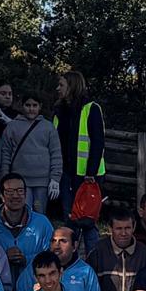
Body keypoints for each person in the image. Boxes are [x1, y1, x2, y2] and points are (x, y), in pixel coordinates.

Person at [0, 91, 61, 216]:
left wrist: (55, 178)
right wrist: (5, 178)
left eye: (34, 105)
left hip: (42, 180)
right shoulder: (12, 127)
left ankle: (40, 236)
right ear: (22, 106)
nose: (31, 109)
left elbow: (56, 153)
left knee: (40, 214)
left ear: (40, 106)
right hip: (20, 180)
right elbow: (6, 154)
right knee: (23, 213)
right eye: (28, 105)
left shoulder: (48, 127)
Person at [51, 70, 105, 224]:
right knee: (68, 216)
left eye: (61, 85)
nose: (58, 88)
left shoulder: (91, 108)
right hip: (65, 172)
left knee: (87, 219)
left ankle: (92, 248)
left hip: (86, 175)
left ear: (72, 86)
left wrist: (91, 172)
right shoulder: (58, 111)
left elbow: (97, 142)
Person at [0, 173, 53, 286]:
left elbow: (52, 257)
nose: (15, 195)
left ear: (26, 194)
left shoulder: (42, 223)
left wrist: (27, 259)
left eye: (20, 190)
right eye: (10, 191)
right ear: (1, 195)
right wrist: (3, 258)